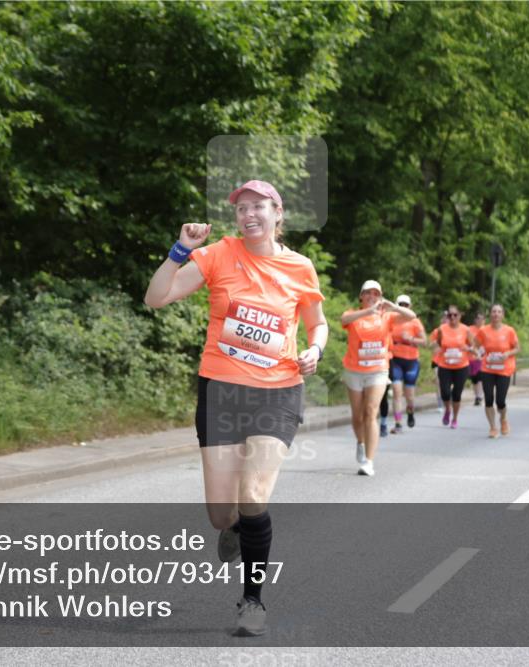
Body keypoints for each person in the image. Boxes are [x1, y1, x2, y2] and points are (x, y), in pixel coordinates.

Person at [143, 179, 328, 637]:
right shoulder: (219, 254)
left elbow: (317, 323)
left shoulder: (300, 267)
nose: (249, 214)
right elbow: (156, 298)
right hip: (221, 392)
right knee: (222, 515)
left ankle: (252, 601)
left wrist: (316, 350)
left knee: (254, 497)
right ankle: (236, 529)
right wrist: (180, 250)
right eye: (242, 208)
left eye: (258, 206)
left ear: (277, 212)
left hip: (277, 391)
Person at [342, 280, 416, 476]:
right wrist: (368, 311)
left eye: (376, 294)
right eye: (368, 293)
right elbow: (344, 320)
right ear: (361, 296)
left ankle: (369, 460)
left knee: (370, 411)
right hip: (354, 370)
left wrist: (392, 306)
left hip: (378, 371)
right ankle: (360, 442)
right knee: (357, 416)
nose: (371, 297)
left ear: (380, 296)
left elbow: (411, 316)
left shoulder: (388, 317)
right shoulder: (353, 314)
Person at [475, 304, 520, 438]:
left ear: (502, 315)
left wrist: (507, 354)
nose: (496, 314)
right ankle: (493, 427)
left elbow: (517, 348)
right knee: (489, 398)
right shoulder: (483, 330)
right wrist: (479, 352)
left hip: (504, 369)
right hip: (487, 368)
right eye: (494, 311)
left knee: (500, 401)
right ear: (490, 315)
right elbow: (476, 346)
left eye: (499, 312)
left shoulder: (509, 331)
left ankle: (503, 419)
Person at [388, 294, 426, 433]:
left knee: (409, 395)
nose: (403, 307)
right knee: (397, 392)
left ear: (409, 307)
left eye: (406, 305)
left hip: (411, 361)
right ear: (396, 305)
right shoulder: (391, 320)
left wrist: (410, 338)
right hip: (395, 359)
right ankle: (398, 423)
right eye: (400, 305)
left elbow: (424, 341)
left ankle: (410, 411)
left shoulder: (415, 321)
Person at [432, 305, 474, 429]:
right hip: (445, 364)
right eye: (450, 315)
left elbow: (473, 347)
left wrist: (468, 348)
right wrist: (439, 350)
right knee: (445, 392)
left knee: (456, 394)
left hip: (461, 366)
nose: (452, 317)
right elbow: (439, 343)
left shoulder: (465, 330)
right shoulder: (442, 329)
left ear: (460, 316)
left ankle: (454, 418)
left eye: (455, 315)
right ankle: (447, 410)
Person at [429, 312, 447, 412]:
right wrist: (438, 341)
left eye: (447, 318)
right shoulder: (436, 331)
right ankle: (440, 404)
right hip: (437, 360)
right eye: (443, 318)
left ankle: (448, 401)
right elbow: (430, 345)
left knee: (448, 383)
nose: (445, 320)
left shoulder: (453, 331)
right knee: (438, 382)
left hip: (449, 361)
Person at [468, 312, 486, 406]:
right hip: (471, 357)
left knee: (480, 377)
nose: (480, 320)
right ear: (475, 320)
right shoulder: (470, 329)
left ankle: (479, 396)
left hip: (482, 358)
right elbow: (467, 341)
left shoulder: (487, 330)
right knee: (474, 379)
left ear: (484, 320)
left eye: (482, 319)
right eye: (478, 318)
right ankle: (477, 396)